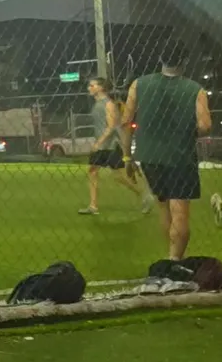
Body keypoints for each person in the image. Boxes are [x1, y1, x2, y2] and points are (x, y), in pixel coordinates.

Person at [120, 43, 212, 260]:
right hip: (180, 158)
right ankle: (175, 259)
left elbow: (125, 122)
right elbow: (205, 126)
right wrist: (186, 130)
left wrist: (126, 156)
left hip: (150, 157)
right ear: (184, 61)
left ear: (161, 59)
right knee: (180, 212)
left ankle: (173, 257)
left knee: (164, 208)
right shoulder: (195, 89)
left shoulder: (139, 84)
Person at [78, 78, 153, 215]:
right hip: (101, 146)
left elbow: (112, 126)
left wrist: (99, 142)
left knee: (118, 176)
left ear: (101, 88)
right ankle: (93, 206)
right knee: (92, 171)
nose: (89, 88)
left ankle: (143, 194)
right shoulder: (97, 104)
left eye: (92, 85)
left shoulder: (108, 104)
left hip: (110, 146)